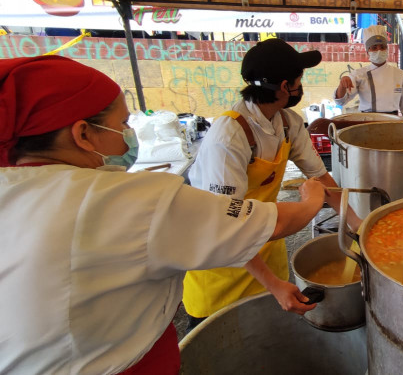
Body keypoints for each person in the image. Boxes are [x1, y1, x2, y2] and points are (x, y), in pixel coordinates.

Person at [0, 55, 326, 373]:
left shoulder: (13, 189)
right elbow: (253, 224)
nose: (130, 133)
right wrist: (312, 202)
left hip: (256, 247)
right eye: (124, 123)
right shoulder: (138, 196)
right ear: (83, 134)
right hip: (215, 274)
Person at [184, 39, 361, 330]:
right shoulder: (229, 137)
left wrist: (358, 225)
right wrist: (273, 284)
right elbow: (227, 224)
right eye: (299, 78)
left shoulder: (288, 122)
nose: (301, 84)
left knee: (267, 343)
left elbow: (321, 179)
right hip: (221, 265)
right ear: (284, 87)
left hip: (265, 250)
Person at [334, 25, 403, 117]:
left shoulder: (399, 74)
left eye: (382, 47)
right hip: (367, 121)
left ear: (387, 49)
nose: (379, 50)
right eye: (374, 47)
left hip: (392, 122)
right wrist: (342, 85)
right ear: (367, 52)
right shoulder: (358, 74)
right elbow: (341, 101)